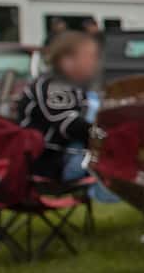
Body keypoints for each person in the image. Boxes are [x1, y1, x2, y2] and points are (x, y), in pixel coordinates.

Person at [14, 31, 118, 201]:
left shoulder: (74, 87)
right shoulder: (53, 85)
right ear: (67, 61)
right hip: (49, 163)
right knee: (122, 160)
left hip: (64, 157)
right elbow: (69, 125)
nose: (95, 62)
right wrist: (108, 137)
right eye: (90, 57)